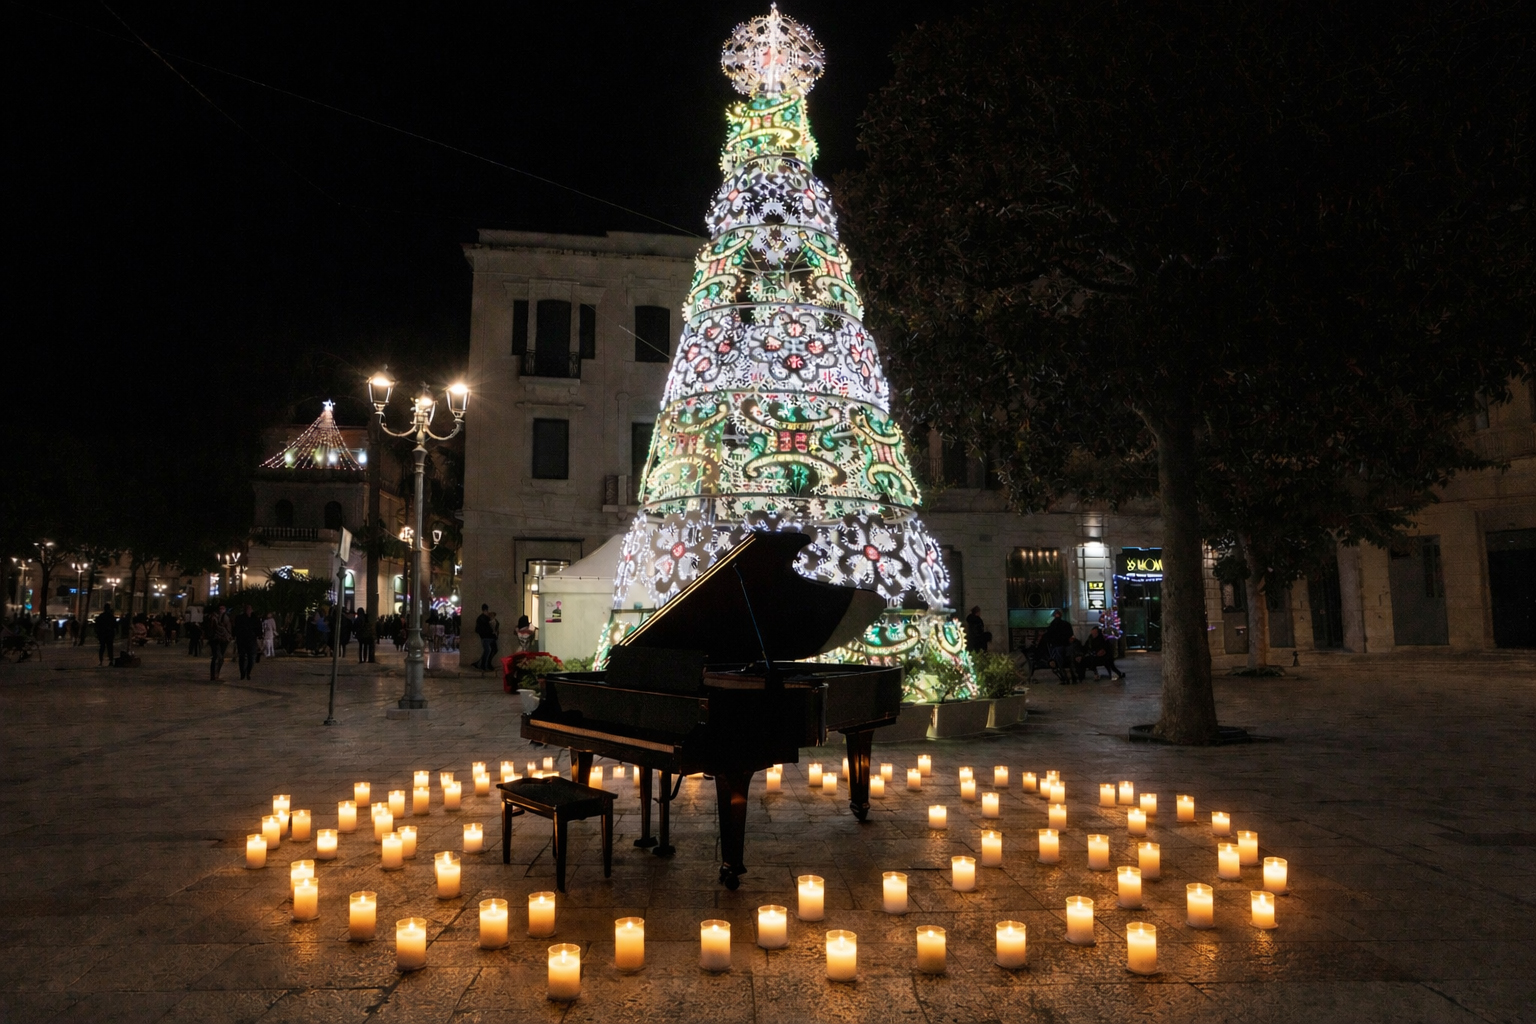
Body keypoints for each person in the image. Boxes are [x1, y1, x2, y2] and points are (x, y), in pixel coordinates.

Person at [1041, 609, 1079, 684]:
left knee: (1060, 664)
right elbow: (1071, 635)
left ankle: (1065, 679)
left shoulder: (1052, 625)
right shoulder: (1067, 624)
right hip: (1067, 645)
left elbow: (1048, 636)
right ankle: (1074, 678)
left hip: (1058, 646)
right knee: (1070, 662)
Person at [232, 604, 260, 680]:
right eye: (247, 609)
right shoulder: (240, 618)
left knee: (251, 658)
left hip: (251, 640)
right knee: (242, 657)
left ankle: (248, 672)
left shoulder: (254, 618)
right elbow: (236, 629)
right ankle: (242, 673)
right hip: (242, 640)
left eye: (250, 609)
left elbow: (258, 629)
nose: (248, 611)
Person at [206, 604, 232, 681]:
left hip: (224, 639)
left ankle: (216, 673)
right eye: (220, 608)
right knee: (216, 657)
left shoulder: (226, 617)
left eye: (223, 608)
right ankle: (213, 674)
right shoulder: (213, 617)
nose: (221, 610)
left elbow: (228, 628)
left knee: (220, 658)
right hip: (216, 639)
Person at [473, 604, 494, 671]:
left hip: (485, 637)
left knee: (488, 651)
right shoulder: (484, 618)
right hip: (486, 637)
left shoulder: (481, 618)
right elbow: (488, 627)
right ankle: (482, 665)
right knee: (488, 651)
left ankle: (480, 664)